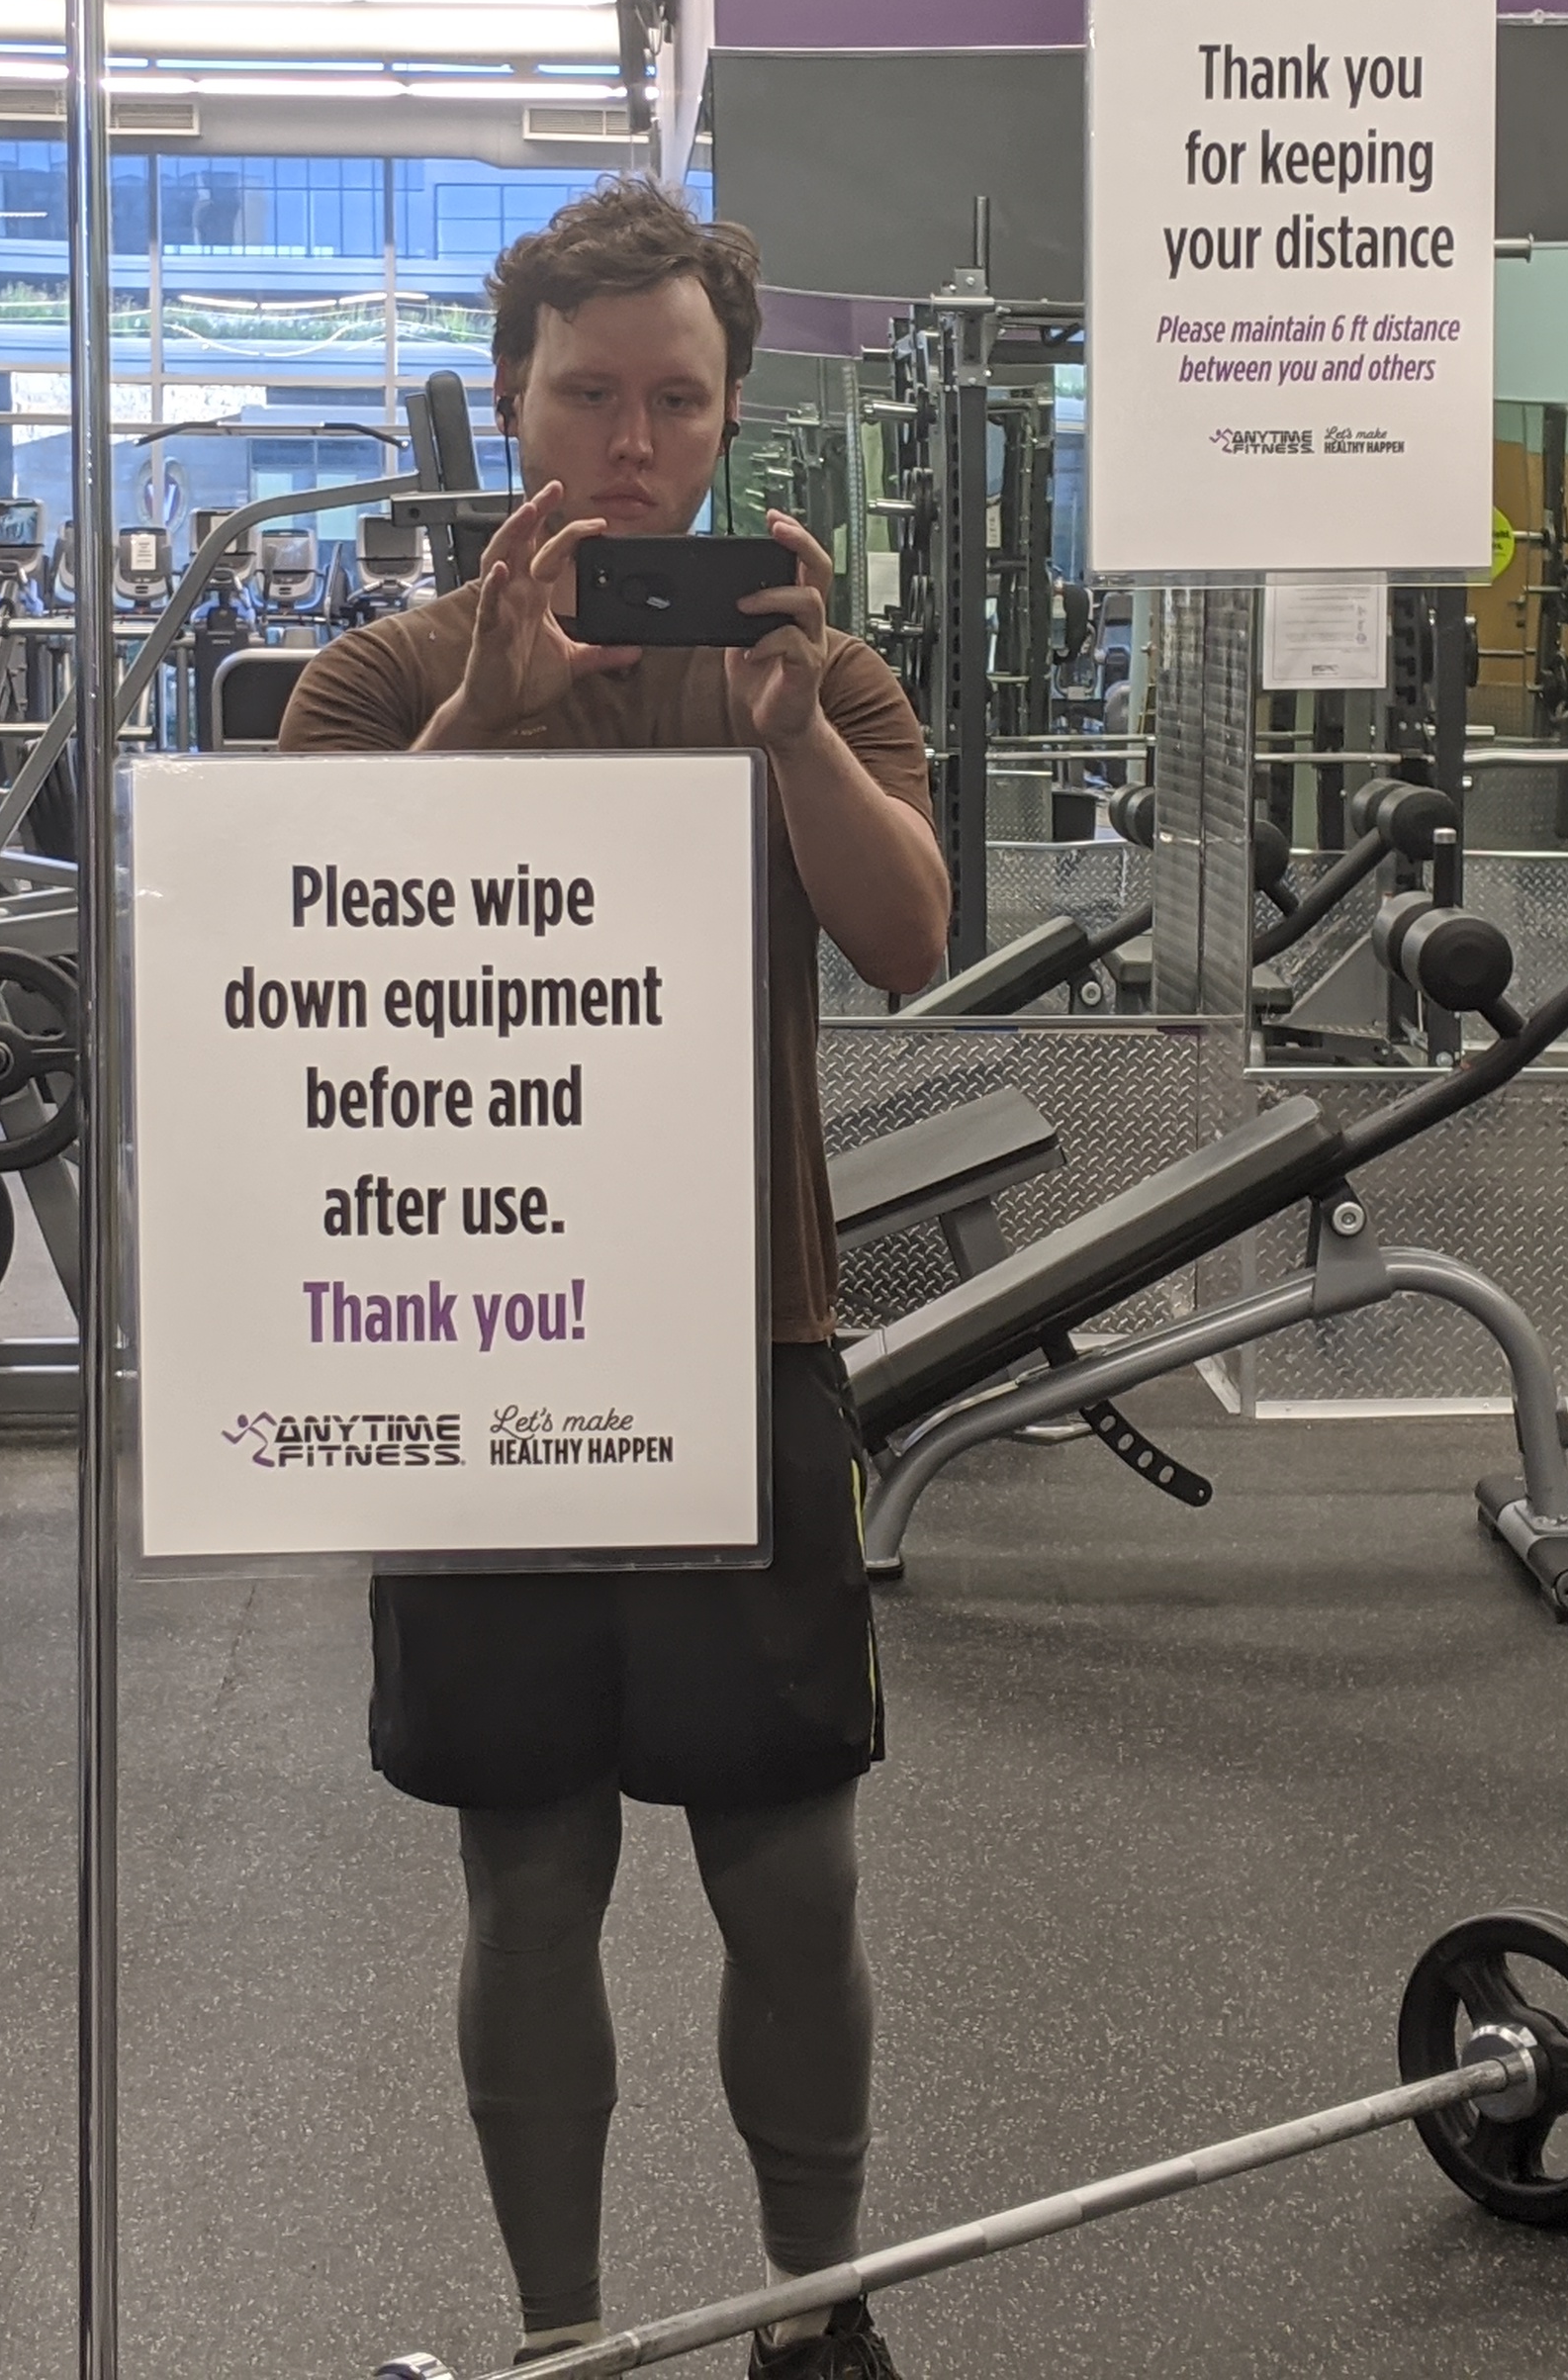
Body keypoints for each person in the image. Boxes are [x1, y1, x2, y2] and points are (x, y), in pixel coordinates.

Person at [277, 181, 950, 2380]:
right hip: (485, 1349)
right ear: (511, 402)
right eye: (588, 395)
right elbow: (303, 943)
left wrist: (788, 728)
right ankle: (559, 2333)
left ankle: (812, 2311)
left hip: (746, 1338)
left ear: (732, 416)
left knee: (793, 1877)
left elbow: (907, 938)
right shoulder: (382, 678)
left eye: (676, 399)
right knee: (531, 1875)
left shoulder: (812, 670)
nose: (632, 443)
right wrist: (485, 716)